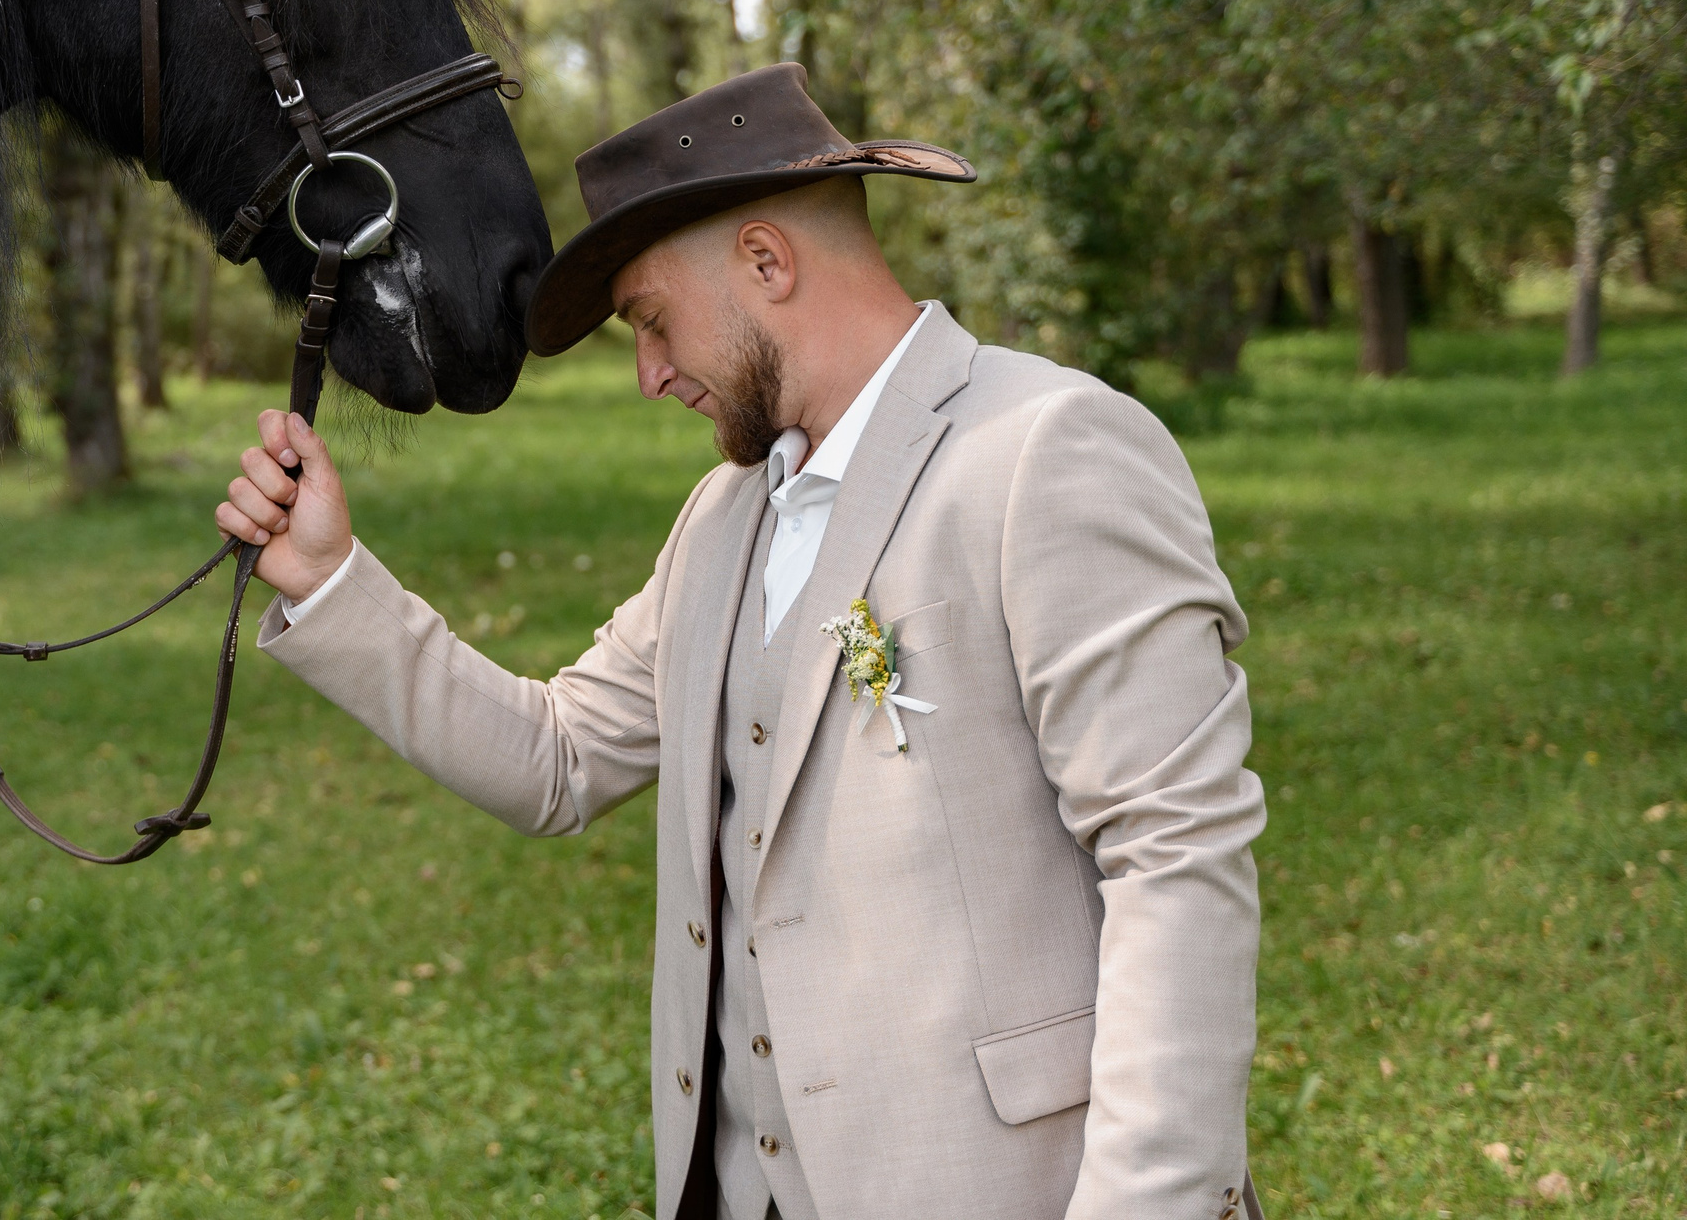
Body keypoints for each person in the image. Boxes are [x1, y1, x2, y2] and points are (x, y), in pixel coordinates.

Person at [217, 64, 1266, 1220]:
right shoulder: (723, 519)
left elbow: (1175, 859)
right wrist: (327, 580)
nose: (649, 373)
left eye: (652, 321)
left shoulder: (1045, 449)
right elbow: (560, 756)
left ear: (766, 262)